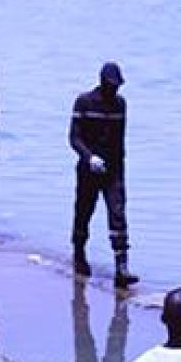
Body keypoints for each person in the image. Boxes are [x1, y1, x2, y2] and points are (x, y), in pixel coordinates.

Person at [69, 61, 138, 288]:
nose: (115, 90)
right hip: (89, 168)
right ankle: (79, 254)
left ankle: (121, 268)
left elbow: (120, 141)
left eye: (118, 86)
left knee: (118, 213)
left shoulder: (120, 105)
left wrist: (118, 173)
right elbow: (74, 138)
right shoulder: (84, 102)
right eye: (112, 85)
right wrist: (89, 158)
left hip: (114, 169)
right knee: (84, 212)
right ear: (102, 82)